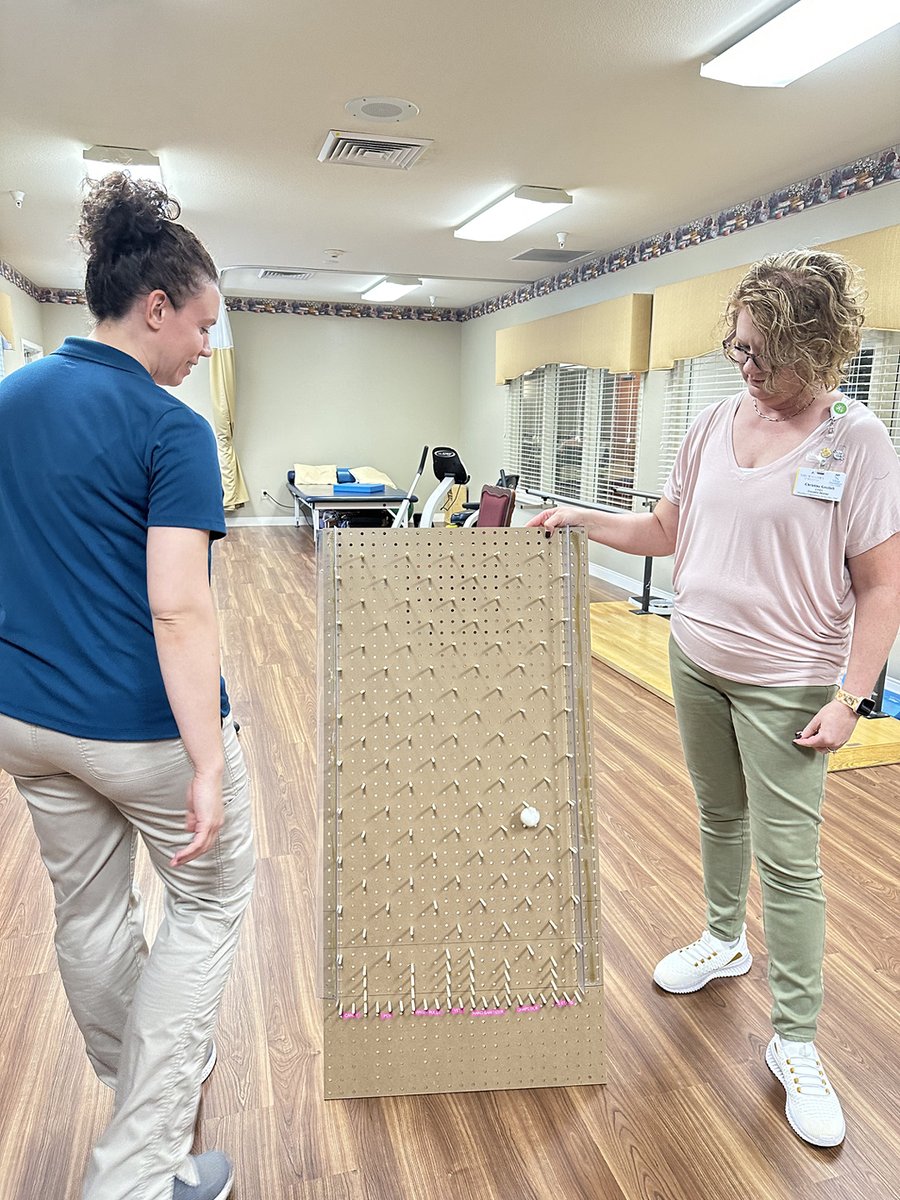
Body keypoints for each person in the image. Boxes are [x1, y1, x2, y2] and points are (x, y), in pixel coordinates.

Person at [529, 248, 900, 1148]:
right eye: (738, 348)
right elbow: (665, 529)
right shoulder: (710, 423)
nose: (746, 367)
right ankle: (721, 939)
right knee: (718, 815)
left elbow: (882, 586)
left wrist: (855, 696)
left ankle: (798, 1043)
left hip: (788, 683)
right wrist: (578, 517)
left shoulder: (856, 440)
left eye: (762, 354)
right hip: (695, 657)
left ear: (818, 348)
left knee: (791, 862)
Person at [0, 173, 255, 1200]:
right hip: (137, 726)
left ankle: (137, 1095)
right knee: (209, 896)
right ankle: (141, 1171)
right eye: (201, 327)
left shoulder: (10, 399)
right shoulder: (171, 428)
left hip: (26, 722)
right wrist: (206, 762)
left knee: (93, 916)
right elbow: (179, 608)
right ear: (155, 308)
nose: (204, 349)